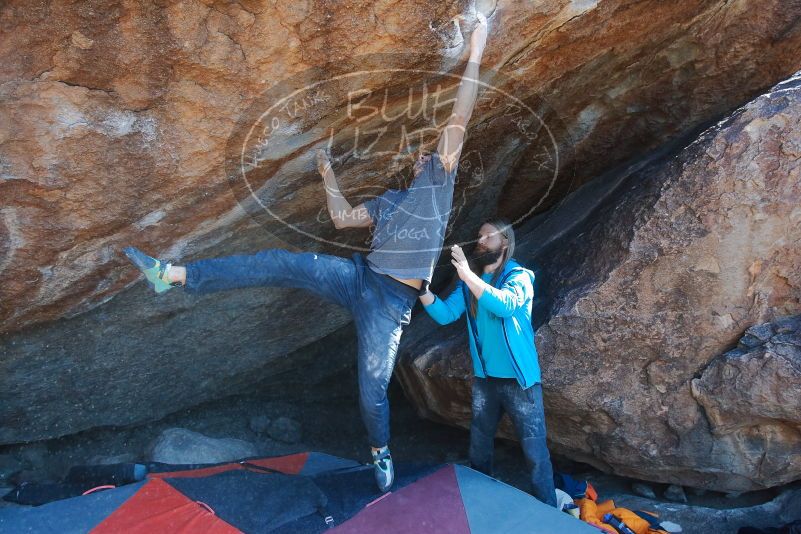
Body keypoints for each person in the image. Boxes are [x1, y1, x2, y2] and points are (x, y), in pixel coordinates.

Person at [122, 14, 489, 493]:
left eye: (431, 153)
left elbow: (459, 116)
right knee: (277, 262)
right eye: (421, 154)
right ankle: (170, 275)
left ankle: (380, 451)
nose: (426, 155)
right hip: (358, 278)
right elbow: (342, 219)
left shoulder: (439, 185)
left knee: (371, 388)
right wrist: (327, 175)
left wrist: (476, 50)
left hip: (391, 305)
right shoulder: (388, 201)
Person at [418, 218, 558, 507]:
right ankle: (478, 501)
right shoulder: (471, 285)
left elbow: (505, 305)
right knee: (479, 443)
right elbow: (445, 315)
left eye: (487, 236)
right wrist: (422, 291)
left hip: (521, 382)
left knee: (535, 450)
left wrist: (468, 275)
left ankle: (548, 508)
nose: (479, 241)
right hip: (486, 380)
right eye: (478, 236)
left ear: (504, 242)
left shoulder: (520, 277)